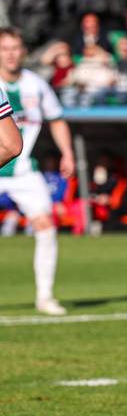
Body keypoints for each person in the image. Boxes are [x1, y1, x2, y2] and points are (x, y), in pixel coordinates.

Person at [0, 28, 75, 315]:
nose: (11, 54)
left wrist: (67, 152)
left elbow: (56, 119)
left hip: (23, 171)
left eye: (16, 48)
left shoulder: (36, 84)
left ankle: (45, 296)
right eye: (5, 48)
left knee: (45, 226)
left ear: (23, 52)